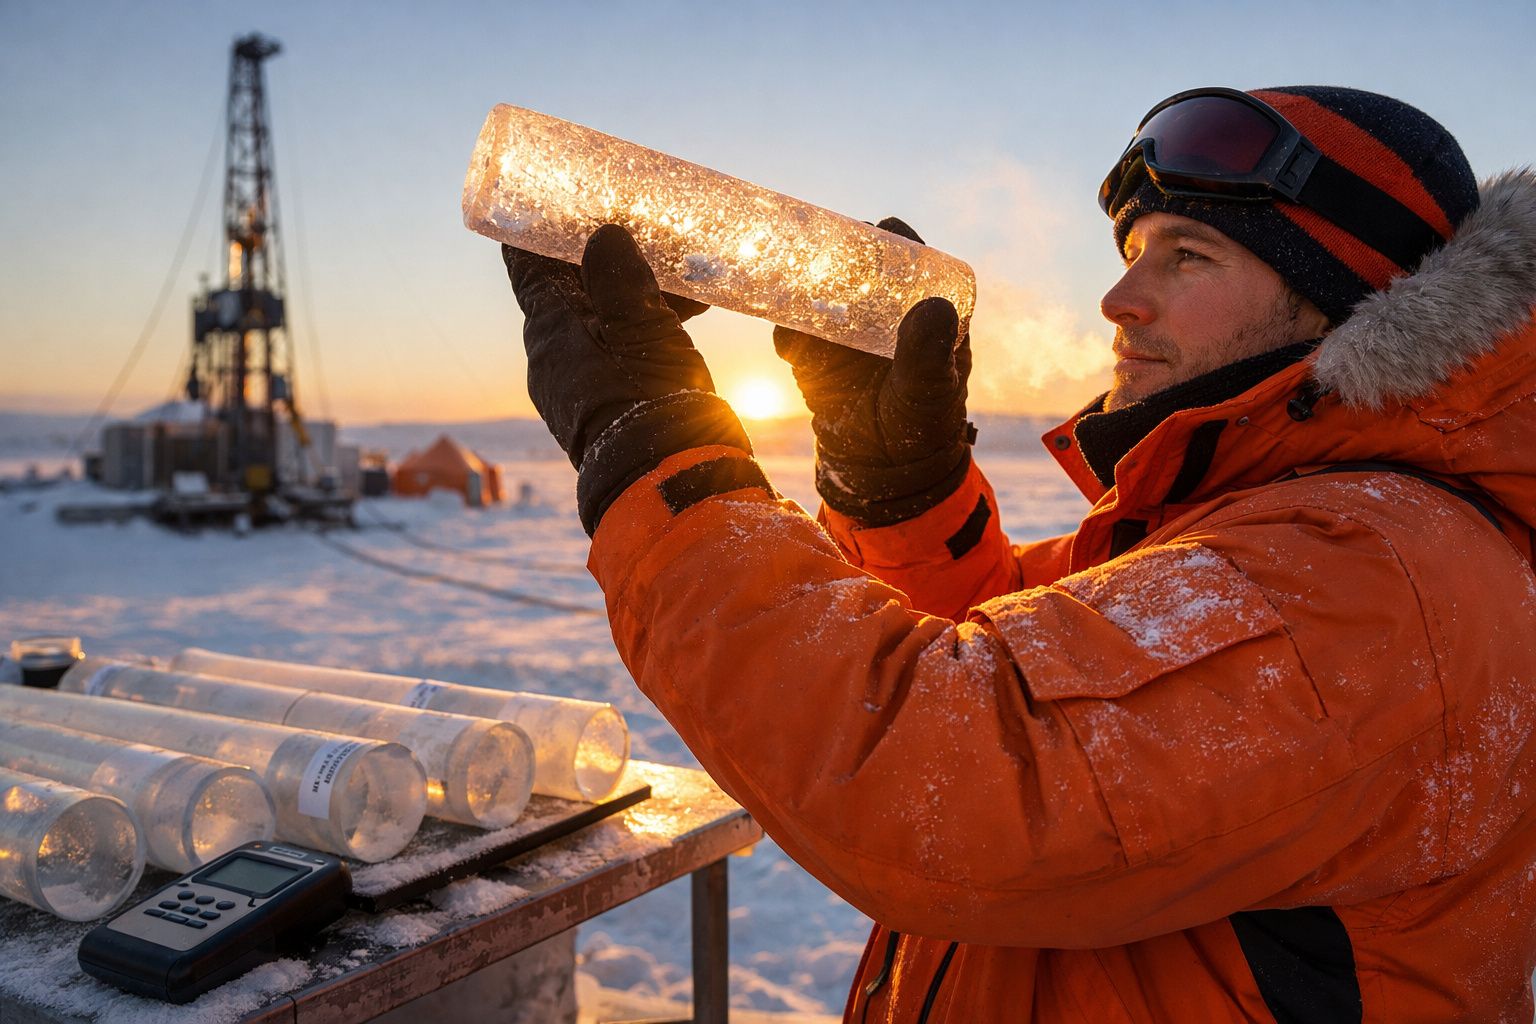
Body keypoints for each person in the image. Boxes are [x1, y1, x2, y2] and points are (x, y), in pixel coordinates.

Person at [501, 86, 1536, 1021]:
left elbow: (955, 783)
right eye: (1133, 252)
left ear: (1346, 299)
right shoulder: (1266, 524)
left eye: (1189, 254)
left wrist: (651, 442)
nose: (1121, 300)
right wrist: (901, 491)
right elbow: (1044, 684)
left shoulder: (1369, 571)